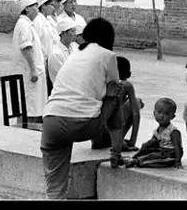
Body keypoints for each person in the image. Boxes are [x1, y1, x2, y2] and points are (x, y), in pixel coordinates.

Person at [40, 18, 125, 199]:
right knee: (116, 93)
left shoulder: (74, 53)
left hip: (51, 122)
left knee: (55, 189)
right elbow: (113, 89)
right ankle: (116, 152)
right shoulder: (108, 56)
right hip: (84, 124)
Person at [91, 56, 144, 151]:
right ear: (129, 74)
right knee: (137, 102)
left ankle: (117, 140)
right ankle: (119, 140)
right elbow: (136, 114)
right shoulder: (126, 85)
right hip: (112, 135)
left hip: (97, 138)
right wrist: (133, 140)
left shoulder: (103, 83)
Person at [12, 0, 48, 125]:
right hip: (30, 72)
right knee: (31, 104)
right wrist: (33, 69)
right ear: (27, 8)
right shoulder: (24, 25)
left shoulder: (27, 24)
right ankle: (28, 127)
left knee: (34, 102)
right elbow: (26, 48)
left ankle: (27, 125)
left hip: (33, 71)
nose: (37, 10)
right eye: (35, 7)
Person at [125, 98, 183, 168]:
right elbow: (154, 142)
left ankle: (137, 162)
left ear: (172, 117)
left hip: (170, 155)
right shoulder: (157, 130)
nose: (161, 116)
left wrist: (178, 161)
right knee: (146, 148)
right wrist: (146, 146)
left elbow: (178, 148)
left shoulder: (173, 131)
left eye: (166, 114)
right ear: (154, 113)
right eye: (159, 112)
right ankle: (134, 158)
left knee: (155, 158)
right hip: (160, 150)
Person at [33, 0, 60, 95]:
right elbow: (37, 44)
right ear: (43, 6)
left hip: (51, 62)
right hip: (44, 63)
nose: (54, 7)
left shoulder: (48, 19)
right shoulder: (37, 21)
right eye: (51, 5)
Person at [47, 18, 76, 84]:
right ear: (63, 33)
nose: (75, 34)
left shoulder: (73, 49)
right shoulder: (56, 54)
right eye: (72, 31)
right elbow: (66, 77)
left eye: (75, 31)